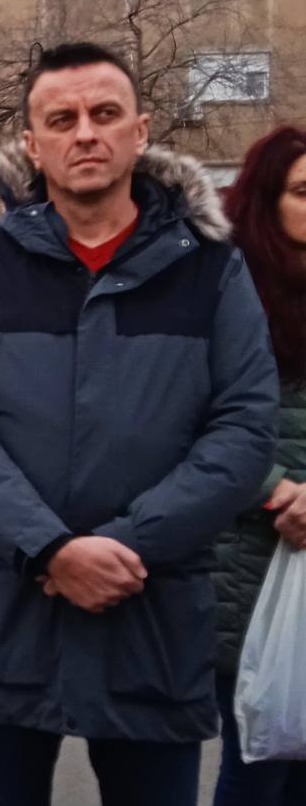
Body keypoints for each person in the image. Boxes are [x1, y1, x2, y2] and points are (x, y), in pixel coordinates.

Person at [0, 42, 278, 806]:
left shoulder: (209, 268)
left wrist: (125, 544)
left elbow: (242, 428)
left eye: (105, 114)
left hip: (151, 605)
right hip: (5, 611)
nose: (86, 133)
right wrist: (47, 546)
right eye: (63, 119)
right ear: (34, 143)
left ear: (140, 131)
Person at [211, 125, 306, 805]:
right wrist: (277, 493)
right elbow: (188, 420)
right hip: (247, 559)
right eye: (305, 191)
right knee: (258, 762)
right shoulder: (225, 285)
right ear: (266, 199)